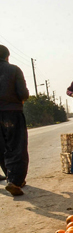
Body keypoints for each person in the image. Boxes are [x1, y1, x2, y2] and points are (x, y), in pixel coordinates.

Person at [0, 45, 30, 196]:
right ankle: (15, 181)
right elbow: (22, 93)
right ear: (7, 57)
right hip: (12, 113)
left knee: (2, 146)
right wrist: (24, 97)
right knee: (16, 146)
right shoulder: (14, 70)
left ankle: (10, 177)